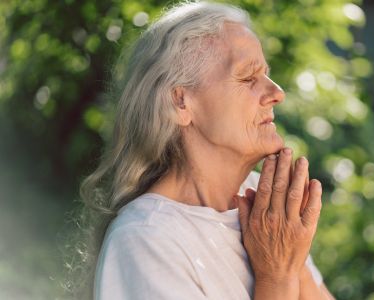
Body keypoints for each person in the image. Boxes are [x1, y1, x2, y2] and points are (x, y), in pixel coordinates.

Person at [78, 1, 334, 299]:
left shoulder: (264, 202)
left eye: (266, 75)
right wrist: (276, 277)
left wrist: (291, 257)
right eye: (249, 77)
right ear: (181, 103)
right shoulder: (147, 239)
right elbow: (281, 276)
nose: (277, 93)